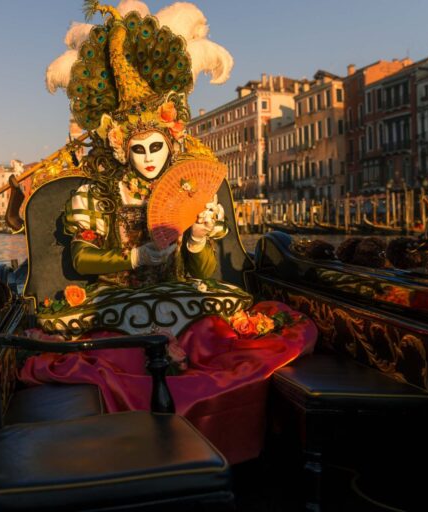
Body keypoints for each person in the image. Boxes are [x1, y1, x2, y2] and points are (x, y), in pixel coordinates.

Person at [19, 0, 317, 465]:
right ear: (123, 148)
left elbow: (202, 268)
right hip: (116, 299)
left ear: (170, 142)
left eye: (157, 147)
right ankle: (143, 448)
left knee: (211, 335)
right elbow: (80, 260)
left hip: (183, 294)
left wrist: (197, 239)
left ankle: (213, 441)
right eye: (139, 149)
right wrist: (133, 259)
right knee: (133, 347)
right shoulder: (97, 194)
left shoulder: (187, 187)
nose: (149, 158)